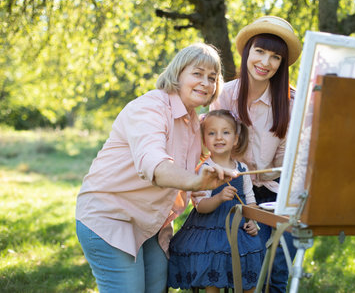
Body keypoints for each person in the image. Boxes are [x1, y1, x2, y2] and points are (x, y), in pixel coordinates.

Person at [75, 43, 237, 293]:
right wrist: (197, 181)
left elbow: (227, 139)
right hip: (110, 217)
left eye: (212, 78)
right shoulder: (150, 108)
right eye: (197, 73)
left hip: (151, 223)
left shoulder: (195, 122)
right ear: (177, 74)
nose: (206, 82)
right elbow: (155, 165)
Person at [210, 16, 302, 292]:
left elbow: (288, 163)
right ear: (247, 51)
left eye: (275, 57)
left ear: (282, 64)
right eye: (260, 51)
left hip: (279, 194)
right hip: (236, 192)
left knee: (278, 271)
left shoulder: (291, 101)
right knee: (247, 273)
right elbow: (215, 146)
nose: (265, 62)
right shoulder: (225, 95)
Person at [168, 109, 264, 293]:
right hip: (211, 230)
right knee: (213, 267)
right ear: (204, 140)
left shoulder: (242, 169)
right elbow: (201, 206)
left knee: (248, 268)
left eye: (225, 132)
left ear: (236, 139)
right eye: (212, 133)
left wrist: (253, 220)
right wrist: (219, 198)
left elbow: (250, 201)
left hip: (238, 228)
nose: (219, 137)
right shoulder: (205, 169)